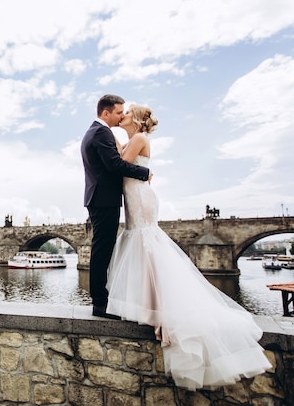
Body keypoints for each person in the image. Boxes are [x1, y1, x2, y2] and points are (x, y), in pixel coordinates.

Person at [106, 103, 271, 390]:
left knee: (146, 244)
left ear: (139, 119)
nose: (124, 115)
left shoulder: (139, 139)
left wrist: (114, 142)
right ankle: (149, 305)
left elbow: (117, 165)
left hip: (141, 199)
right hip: (134, 198)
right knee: (139, 244)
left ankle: (158, 308)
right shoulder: (133, 139)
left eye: (129, 112)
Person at [81, 94, 151, 319]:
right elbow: (113, 165)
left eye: (125, 113)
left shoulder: (97, 131)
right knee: (102, 250)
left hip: (100, 198)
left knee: (104, 248)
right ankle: (100, 304)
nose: (122, 116)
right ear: (105, 113)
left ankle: (103, 300)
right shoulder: (101, 132)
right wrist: (145, 172)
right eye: (119, 112)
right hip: (104, 199)